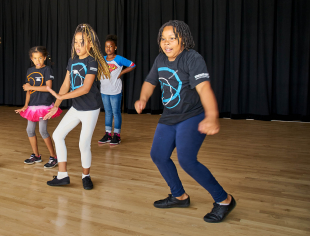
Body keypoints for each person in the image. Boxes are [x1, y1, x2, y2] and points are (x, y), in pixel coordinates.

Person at [134, 20, 236, 223]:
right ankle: (179, 195)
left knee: (187, 160)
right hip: (169, 116)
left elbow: (204, 88)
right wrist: (143, 98)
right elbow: (149, 81)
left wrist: (212, 115)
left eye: (172, 38)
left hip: (192, 115)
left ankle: (224, 200)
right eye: (163, 38)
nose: (166, 42)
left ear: (184, 39)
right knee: (158, 155)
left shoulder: (192, 58)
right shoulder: (160, 59)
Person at [44, 23, 110, 190]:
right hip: (76, 108)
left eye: (82, 42)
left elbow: (86, 88)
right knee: (58, 135)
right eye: (75, 42)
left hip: (90, 109)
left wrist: (62, 96)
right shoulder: (72, 60)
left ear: (90, 44)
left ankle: (86, 176)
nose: (78, 46)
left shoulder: (92, 61)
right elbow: (66, 85)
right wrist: (56, 106)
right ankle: (62, 175)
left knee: (83, 144)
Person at [16, 46, 62, 168]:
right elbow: (27, 90)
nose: (38, 60)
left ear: (45, 57)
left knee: (43, 130)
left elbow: (48, 87)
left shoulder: (47, 70)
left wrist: (30, 87)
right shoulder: (29, 71)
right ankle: (36, 155)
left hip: (44, 105)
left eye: (40, 58)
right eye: (35, 58)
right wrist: (25, 105)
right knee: (29, 130)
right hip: (32, 106)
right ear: (31, 59)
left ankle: (54, 157)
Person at [98, 34, 136, 145]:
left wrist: (121, 73)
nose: (108, 48)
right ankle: (108, 134)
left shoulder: (119, 59)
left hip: (115, 90)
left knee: (116, 112)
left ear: (115, 47)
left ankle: (117, 135)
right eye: (106, 46)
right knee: (108, 112)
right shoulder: (102, 59)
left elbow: (133, 65)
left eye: (110, 46)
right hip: (104, 90)